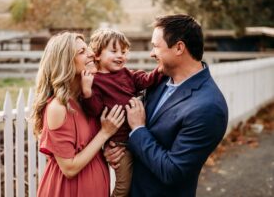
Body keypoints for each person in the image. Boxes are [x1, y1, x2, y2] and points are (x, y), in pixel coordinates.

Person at [105, 14, 229, 197]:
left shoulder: (209, 107)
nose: (151, 53)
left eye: (156, 46)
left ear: (179, 47)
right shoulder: (160, 79)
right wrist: (114, 148)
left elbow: (173, 171)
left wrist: (138, 130)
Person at [31, 32, 125, 197]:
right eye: (82, 52)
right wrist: (104, 133)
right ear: (65, 63)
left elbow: (89, 144)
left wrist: (108, 150)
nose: (91, 54)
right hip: (68, 190)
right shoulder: (58, 108)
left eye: (87, 48)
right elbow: (69, 168)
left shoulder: (87, 99)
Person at [80, 28, 162, 197]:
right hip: (119, 146)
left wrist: (160, 69)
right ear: (97, 55)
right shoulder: (96, 81)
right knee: (123, 187)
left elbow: (145, 80)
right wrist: (87, 92)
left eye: (124, 52)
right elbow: (94, 109)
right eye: (114, 51)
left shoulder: (127, 74)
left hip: (138, 137)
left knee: (140, 182)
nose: (120, 56)